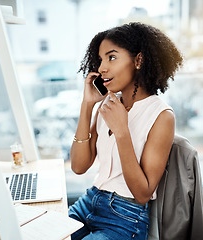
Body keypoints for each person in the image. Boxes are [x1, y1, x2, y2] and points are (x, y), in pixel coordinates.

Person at [69, 22, 183, 240]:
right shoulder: (107, 105)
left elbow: (142, 194)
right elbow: (78, 166)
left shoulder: (161, 115)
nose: (102, 67)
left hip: (124, 216)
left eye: (111, 57)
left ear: (138, 60)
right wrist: (87, 105)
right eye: (101, 59)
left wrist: (122, 131)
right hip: (88, 202)